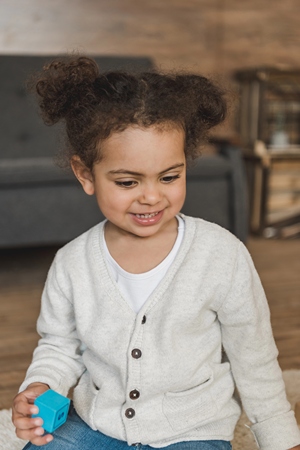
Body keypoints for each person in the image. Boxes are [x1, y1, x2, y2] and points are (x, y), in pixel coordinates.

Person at [12, 56, 300, 450]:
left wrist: (281, 439)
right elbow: (60, 345)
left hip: (191, 430)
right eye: (128, 181)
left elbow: (255, 358)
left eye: (170, 176)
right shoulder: (72, 262)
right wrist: (41, 385)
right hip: (97, 423)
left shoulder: (222, 255)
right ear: (85, 175)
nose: (152, 196)